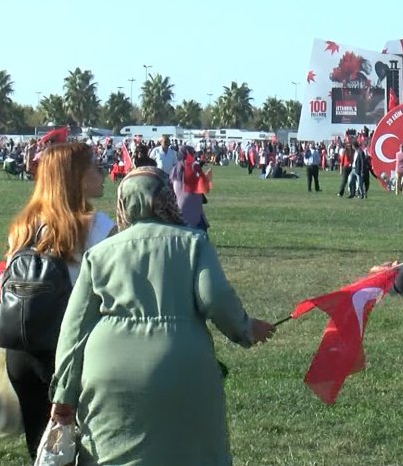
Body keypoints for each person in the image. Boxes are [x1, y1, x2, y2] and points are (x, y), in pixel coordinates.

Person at [49, 166, 276, 464]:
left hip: (108, 372)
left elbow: (74, 330)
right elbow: (216, 298)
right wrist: (246, 328)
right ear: (167, 197)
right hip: (182, 366)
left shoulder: (99, 254)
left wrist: (63, 394)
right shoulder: (194, 243)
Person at [3, 143, 116, 458]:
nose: (102, 171)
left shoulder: (23, 225)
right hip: (69, 348)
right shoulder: (99, 227)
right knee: (82, 445)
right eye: (94, 166)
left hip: (21, 351)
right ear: (76, 176)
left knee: (40, 447)